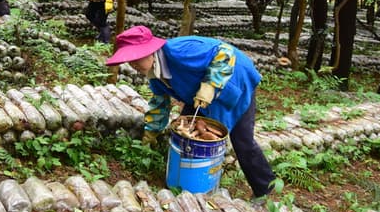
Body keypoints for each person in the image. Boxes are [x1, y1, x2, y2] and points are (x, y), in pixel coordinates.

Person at [106, 25, 276, 198]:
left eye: (137, 57)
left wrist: (210, 85)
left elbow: (225, 52)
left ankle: (265, 189)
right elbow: (159, 104)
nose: (133, 64)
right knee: (185, 132)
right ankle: (190, 183)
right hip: (198, 93)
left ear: (150, 51)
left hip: (235, 79)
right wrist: (151, 132)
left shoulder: (181, 50)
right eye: (129, 60)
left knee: (242, 140)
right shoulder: (155, 75)